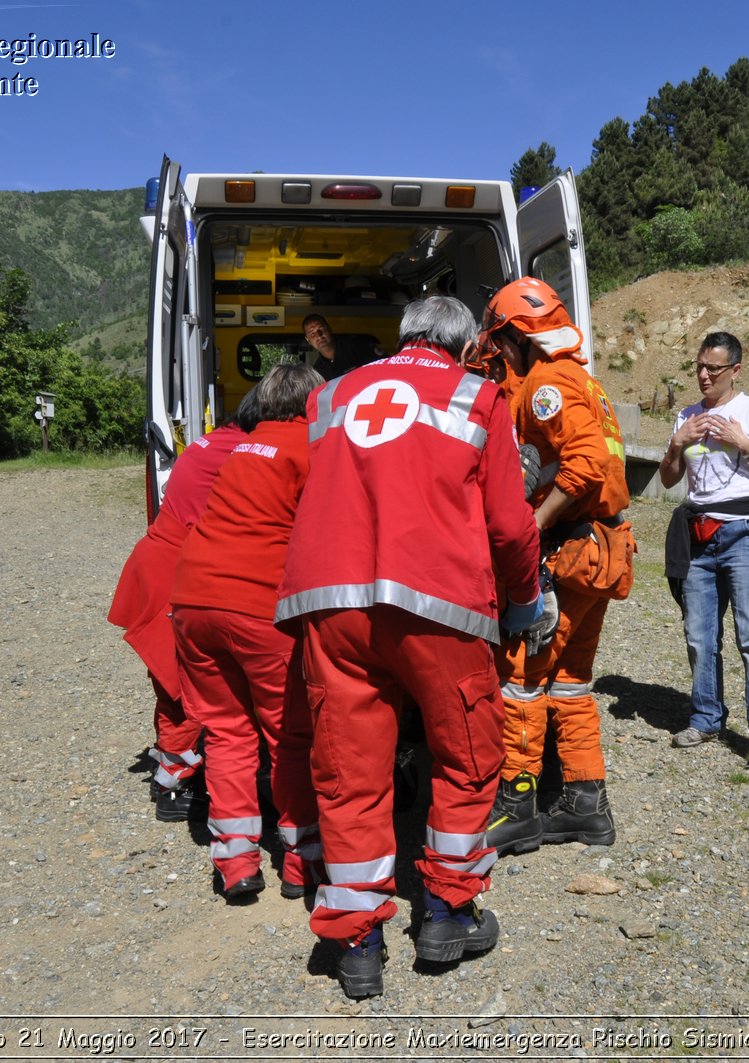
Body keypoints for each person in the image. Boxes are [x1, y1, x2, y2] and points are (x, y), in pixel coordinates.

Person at [275, 296, 542, 999]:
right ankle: (448, 913)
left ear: (402, 338)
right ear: (459, 347)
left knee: (349, 769)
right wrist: (523, 601)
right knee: (466, 752)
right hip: (437, 604)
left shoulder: (329, 396)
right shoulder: (478, 396)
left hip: (333, 606)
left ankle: (357, 941)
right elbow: (512, 528)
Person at [478, 277, 632, 856]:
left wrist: (531, 527)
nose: (499, 356)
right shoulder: (582, 380)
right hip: (602, 550)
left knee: (521, 675)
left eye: (501, 343)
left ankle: (517, 803)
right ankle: (586, 803)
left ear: (518, 337)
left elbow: (586, 464)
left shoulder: (547, 384)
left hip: (570, 552)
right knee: (570, 681)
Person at [171, 364, 326, 901]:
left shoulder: (242, 446)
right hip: (259, 606)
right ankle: (302, 860)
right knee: (289, 734)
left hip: (193, 600)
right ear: (314, 403)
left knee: (227, 732)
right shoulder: (312, 449)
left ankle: (236, 862)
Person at [107, 387, 262, 822]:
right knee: (185, 687)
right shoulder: (245, 451)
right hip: (175, 575)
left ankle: (177, 771)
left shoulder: (210, 442)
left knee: (177, 682)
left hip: (160, 565)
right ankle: (174, 782)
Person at [657, 331, 749, 768]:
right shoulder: (686, 416)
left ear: (735, 370)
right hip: (697, 534)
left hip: (743, 534)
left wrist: (744, 444)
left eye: (713, 368)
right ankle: (706, 717)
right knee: (698, 635)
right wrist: (678, 442)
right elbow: (669, 480)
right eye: (698, 366)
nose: (703, 376)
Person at [302, 314, 379, 381]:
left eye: (321, 329)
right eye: (312, 333)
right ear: (308, 340)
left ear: (329, 328)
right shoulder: (318, 371)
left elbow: (383, 367)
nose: (319, 335)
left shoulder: (355, 346)